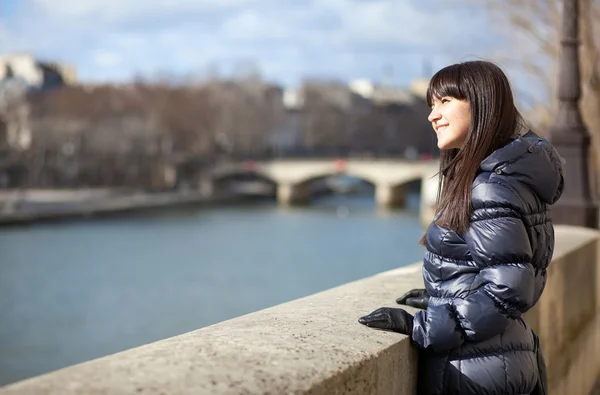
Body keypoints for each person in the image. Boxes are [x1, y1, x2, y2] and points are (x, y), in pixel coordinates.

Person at [358, 60, 563, 395]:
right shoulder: (505, 178)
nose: (432, 115)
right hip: (498, 358)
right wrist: (442, 296)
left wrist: (419, 326)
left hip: (476, 373)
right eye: (431, 105)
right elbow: (498, 268)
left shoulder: (490, 187)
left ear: (482, 104)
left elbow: (509, 289)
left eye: (445, 102)